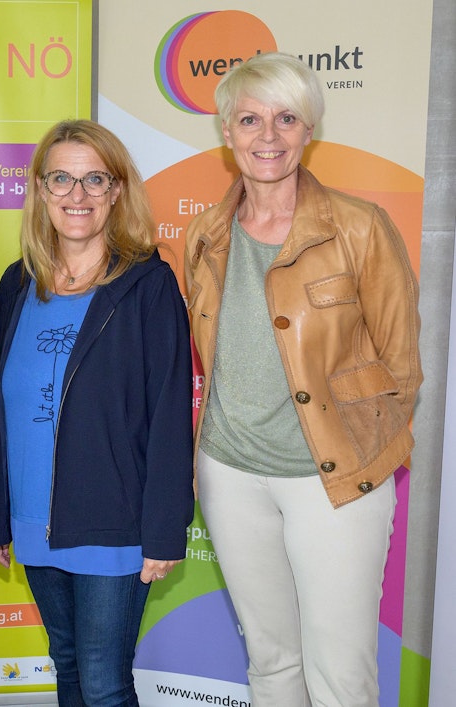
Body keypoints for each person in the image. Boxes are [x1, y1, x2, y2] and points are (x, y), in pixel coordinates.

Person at [185, 52, 422, 706]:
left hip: (334, 482)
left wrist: (360, 451)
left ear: (309, 129)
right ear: (227, 132)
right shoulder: (206, 235)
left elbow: (402, 365)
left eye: (286, 118)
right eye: (250, 119)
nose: (268, 135)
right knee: (272, 662)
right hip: (230, 477)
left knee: (340, 676)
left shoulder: (359, 227)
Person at [0, 119, 195, 707]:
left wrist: (164, 528)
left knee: (103, 683)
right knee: (68, 663)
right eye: (62, 179)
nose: (77, 195)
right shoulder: (16, 284)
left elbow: (169, 415)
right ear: (41, 189)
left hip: (112, 520)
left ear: (116, 190)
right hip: (33, 518)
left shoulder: (147, 285)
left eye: (94, 179)